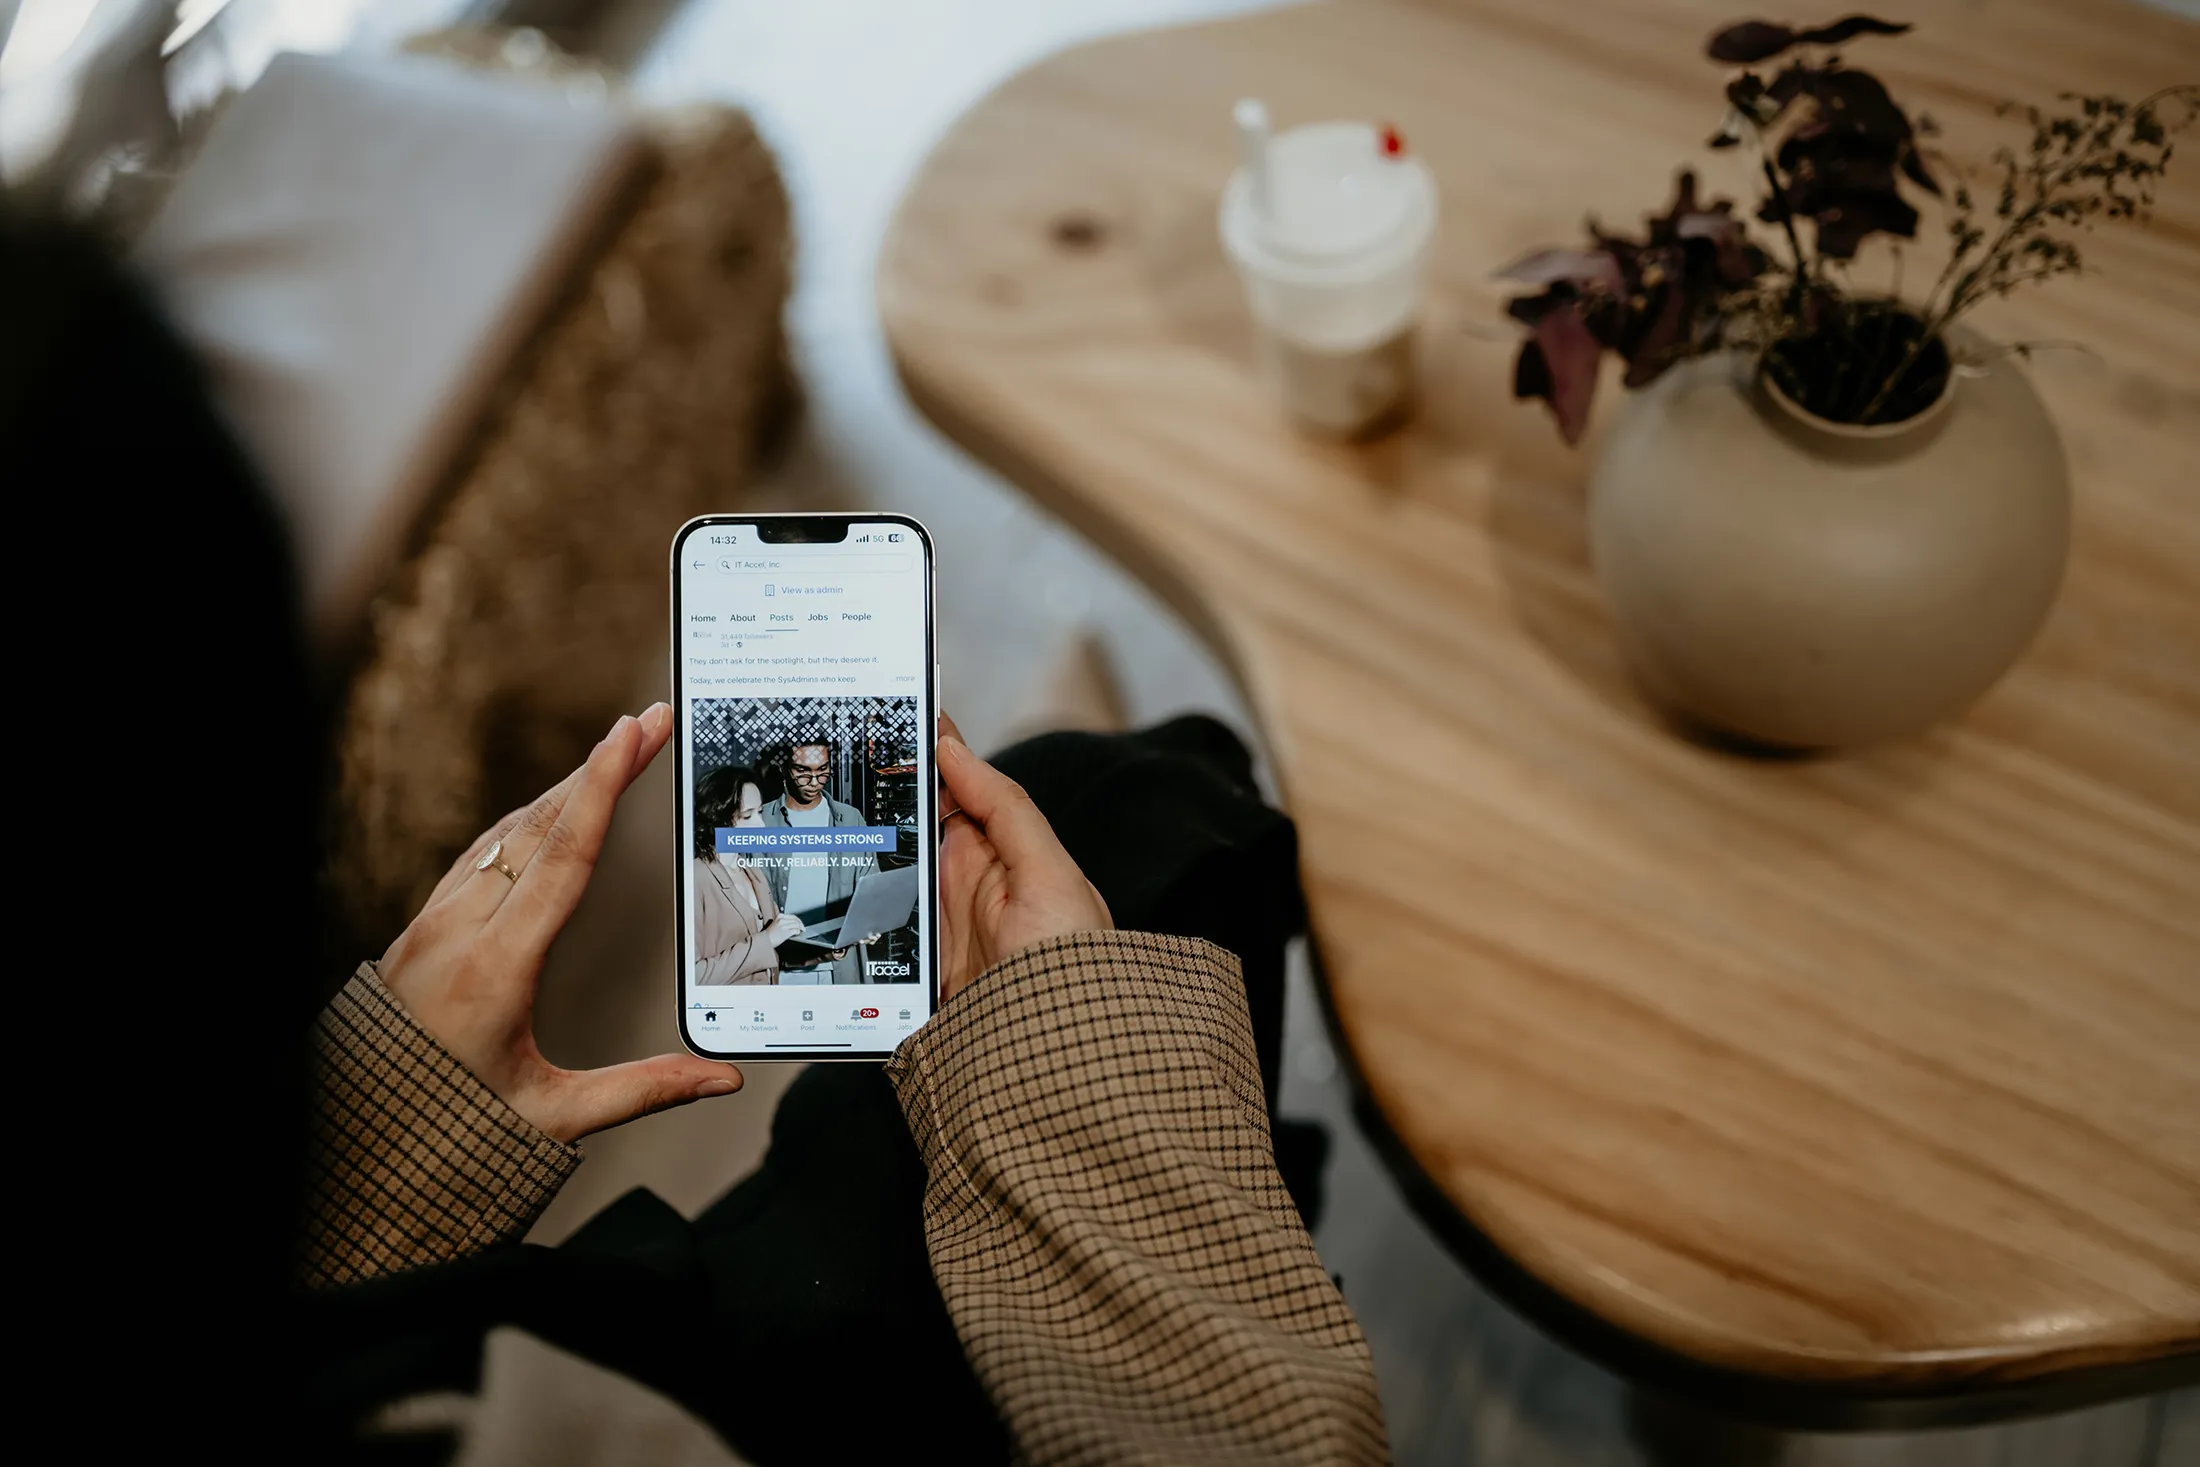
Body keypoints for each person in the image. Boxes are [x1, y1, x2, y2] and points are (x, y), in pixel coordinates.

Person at [758, 735, 878, 984]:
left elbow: (873, 887)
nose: (814, 782)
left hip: (838, 967)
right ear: (784, 768)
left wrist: (871, 920)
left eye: (822, 771)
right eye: (803, 771)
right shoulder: (759, 822)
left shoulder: (851, 820)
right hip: (777, 967)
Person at [690, 765, 808, 985]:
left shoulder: (753, 872)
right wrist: (767, 940)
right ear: (717, 819)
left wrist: (834, 947)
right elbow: (694, 976)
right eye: (747, 816)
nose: (760, 825)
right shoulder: (696, 877)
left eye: (760, 812)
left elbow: (774, 948)